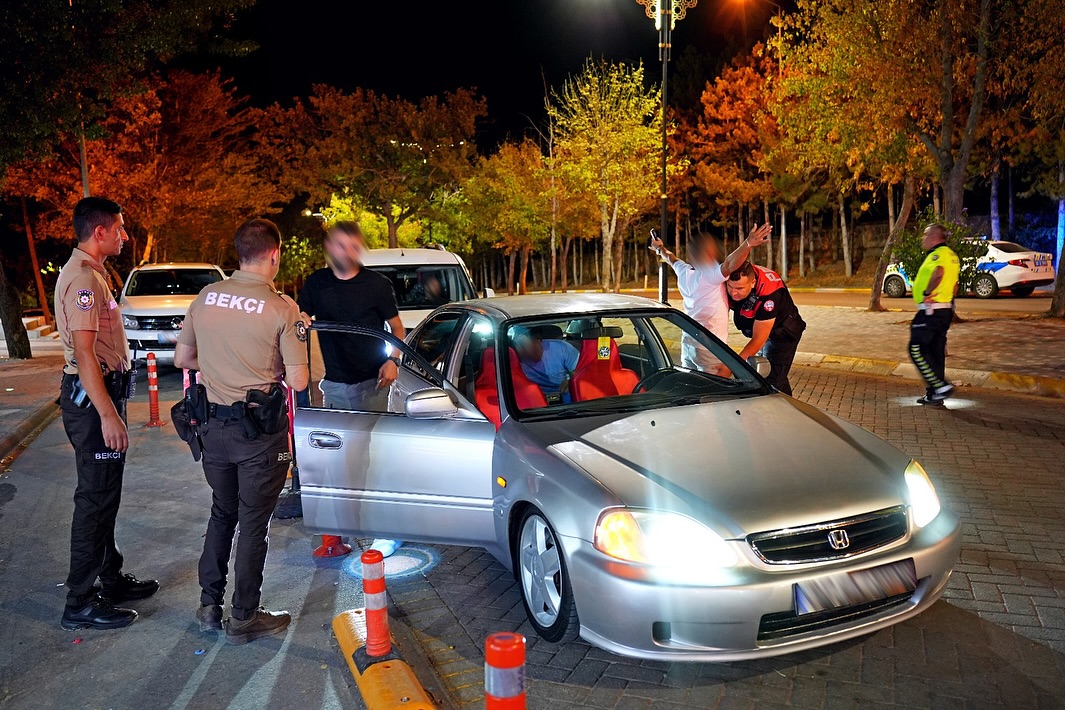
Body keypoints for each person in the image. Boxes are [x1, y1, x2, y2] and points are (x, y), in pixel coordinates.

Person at [173, 218, 310, 644]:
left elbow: (183, 358)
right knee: (254, 524)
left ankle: (209, 606)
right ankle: (245, 616)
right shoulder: (282, 308)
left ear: (239, 254)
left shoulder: (206, 297)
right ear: (274, 254)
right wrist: (299, 336)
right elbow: (301, 381)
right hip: (259, 436)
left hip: (211, 430)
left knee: (222, 512)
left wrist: (220, 365)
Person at [55, 197, 159, 631]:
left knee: (106, 495)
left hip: (100, 397)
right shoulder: (83, 281)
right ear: (99, 232)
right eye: (119, 228)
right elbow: (83, 353)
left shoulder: (93, 275)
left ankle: (109, 577)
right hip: (91, 401)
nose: (124, 235)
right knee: (95, 501)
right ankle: (80, 601)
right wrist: (108, 416)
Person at [297, 221, 405, 557]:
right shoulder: (317, 283)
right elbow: (302, 315)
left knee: (373, 458)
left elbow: (396, 327)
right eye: (342, 245)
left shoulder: (377, 285)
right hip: (336, 385)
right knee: (343, 459)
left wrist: (393, 360)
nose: (349, 251)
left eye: (354, 245)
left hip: (374, 382)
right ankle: (342, 530)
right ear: (330, 248)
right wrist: (300, 320)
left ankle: (385, 532)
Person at [651, 225, 772, 369]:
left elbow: (671, 258)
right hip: (709, 348)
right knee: (713, 388)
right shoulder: (710, 276)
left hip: (688, 344)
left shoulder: (684, 271)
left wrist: (660, 249)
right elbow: (729, 263)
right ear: (708, 253)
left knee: (691, 383)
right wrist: (748, 244)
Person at [725, 261, 806, 396]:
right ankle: (791, 409)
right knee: (773, 376)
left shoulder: (770, 293)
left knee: (770, 382)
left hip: (783, 334)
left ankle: (779, 414)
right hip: (765, 329)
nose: (733, 293)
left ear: (753, 283)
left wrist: (733, 365)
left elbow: (758, 339)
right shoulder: (732, 272)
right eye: (730, 286)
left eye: (739, 288)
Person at [908, 224, 959, 406]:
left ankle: (940, 386)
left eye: (925, 234)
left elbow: (939, 273)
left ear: (935, 237)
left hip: (931, 311)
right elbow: (954, 285)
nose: (923, 238)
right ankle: (934, 395)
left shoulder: (938, 255)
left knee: (916, 349)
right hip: (944, 310)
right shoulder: (952, 256)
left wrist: (926, 293)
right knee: (935, 352)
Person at [512, 327, 580, 403]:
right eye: (518, 345)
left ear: (538, 339)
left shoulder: (562, 348)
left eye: (524, 346)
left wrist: (571, 381)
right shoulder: (512, 357)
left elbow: (581, 370)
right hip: (532, 400)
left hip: (562, 395)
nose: (521, 350)